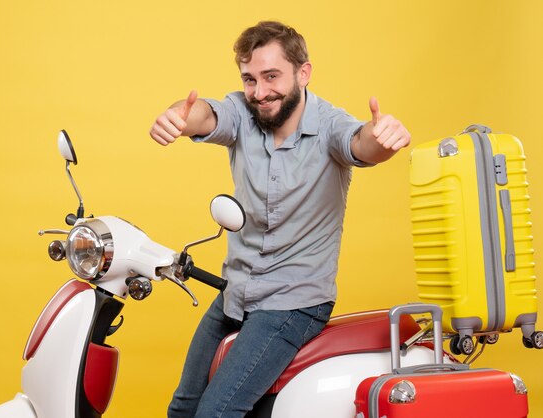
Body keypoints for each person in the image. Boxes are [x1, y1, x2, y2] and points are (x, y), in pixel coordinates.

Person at [149, 20, 411, 418]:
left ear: (303, 73)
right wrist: (178, 118)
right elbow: (205, 114)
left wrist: (384, 137)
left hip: (294, 302)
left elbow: (362, 143)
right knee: (183, 408)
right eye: (250, 79)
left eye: (272, 76)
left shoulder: (330, 126)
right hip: (236, 290)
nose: (260, 91)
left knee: (216, 413)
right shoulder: (242, 111)